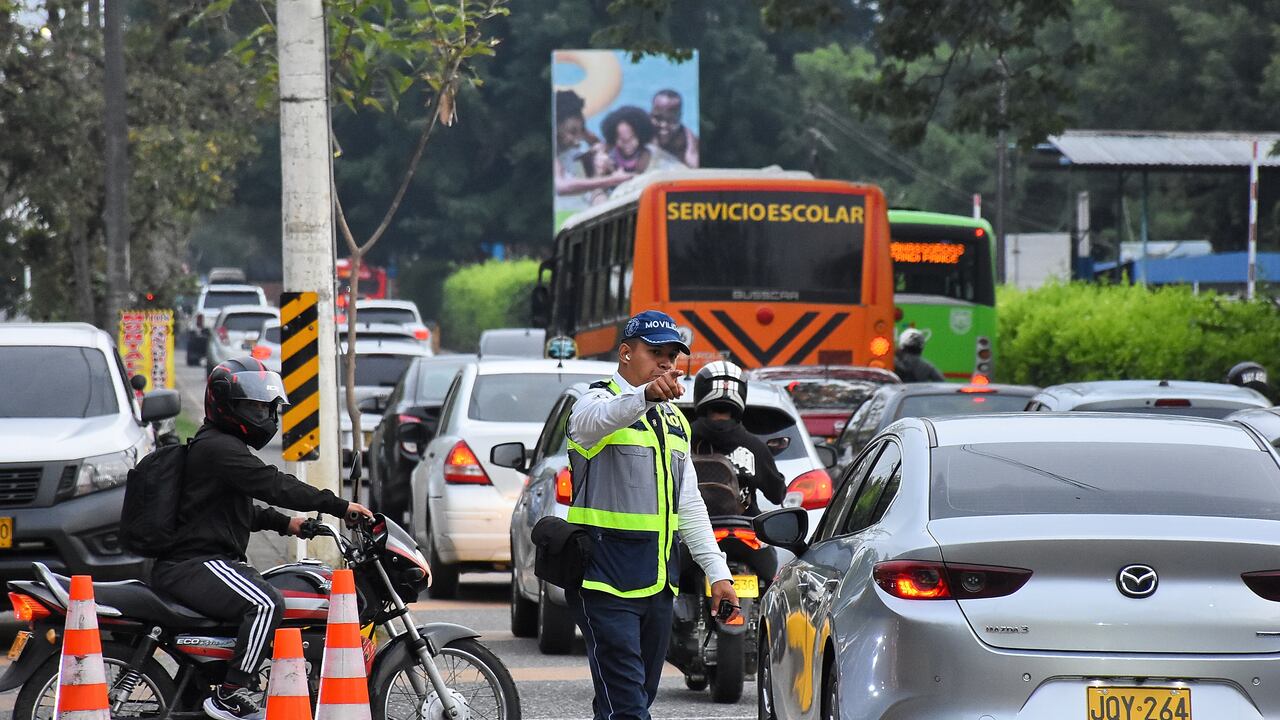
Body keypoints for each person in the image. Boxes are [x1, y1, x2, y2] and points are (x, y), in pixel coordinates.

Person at [150, 357, 373, 720]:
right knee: (267, 603)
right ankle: (231, 693)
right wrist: (338, 505)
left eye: (266, 407)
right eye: (253, 407)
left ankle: (208, 688)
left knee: (267, 593)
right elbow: (273, 484)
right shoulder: (220, 448)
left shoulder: (220, 446)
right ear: (223, 404)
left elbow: (236, 511)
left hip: (205, 561)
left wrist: (290, 525)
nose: (263, 415)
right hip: (194, 564)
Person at [566, 310, 738, 720]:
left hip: (658, 587)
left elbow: (689, 504)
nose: (666, 362)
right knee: (628, 707)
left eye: (673, 355)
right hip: (604, 584)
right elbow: (591, 422)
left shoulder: (676, 420)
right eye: (654, 351)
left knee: (630, 701)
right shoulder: (596, 400)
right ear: (626, 353)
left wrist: (719, 574)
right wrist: (644, 397)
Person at [689, 360, 786, 516]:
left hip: (693, 529)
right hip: (744, 531)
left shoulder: (681, 438)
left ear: (700, 392)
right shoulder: (754, 446)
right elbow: (777, 495)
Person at [650, 89, 699, 168]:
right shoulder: (639, 131)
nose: (664, 125)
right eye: (658, 118)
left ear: (680, 118)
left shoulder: (689, 146)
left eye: (671, 120)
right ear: (651, 114)